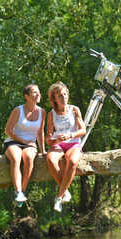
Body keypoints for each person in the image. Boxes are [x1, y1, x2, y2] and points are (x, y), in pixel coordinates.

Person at [46, 81, 86, 212]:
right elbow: (48, 137)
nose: (63, 98)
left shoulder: (74, 109)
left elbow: (83, 130)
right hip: (58, 144)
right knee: (50, 159)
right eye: (60, 96)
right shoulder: (51, 114)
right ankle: (66, 190)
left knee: (72, 161)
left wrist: (70, 135)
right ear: (54, 99)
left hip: (73, 142)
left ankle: (59, 197)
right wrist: (54, 139)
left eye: (65, 94)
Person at [4, 84, 46, 206]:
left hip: (30, 145)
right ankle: (17, 191)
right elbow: (7, 130)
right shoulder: (18, 110)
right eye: (34, 92)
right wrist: (23, 141)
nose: (38, 94)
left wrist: (43, 151)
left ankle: (22, 191)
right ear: (26, 96)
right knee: (16, 159)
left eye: (38, 92)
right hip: (13, 141)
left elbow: (40, 132)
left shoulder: (42, 112)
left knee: (28, 158)